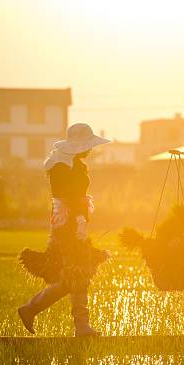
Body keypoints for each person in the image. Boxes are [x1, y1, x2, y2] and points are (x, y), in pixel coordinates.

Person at [17, 123, 110, 337]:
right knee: (78, 274)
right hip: (67, 223)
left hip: (72, 221)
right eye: (88, 145)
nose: (91, 149)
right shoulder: (61, 165)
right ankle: (73, 323)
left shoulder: (73, 162)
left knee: (77, 275)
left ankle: (41, 311)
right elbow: (67, 195)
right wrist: (78, 220)